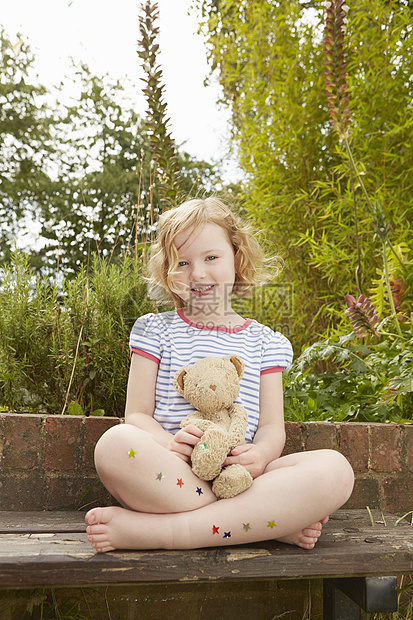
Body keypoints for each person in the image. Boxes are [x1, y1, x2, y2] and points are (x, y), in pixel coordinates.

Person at [85, 197, 354, 553]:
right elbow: (136, 415)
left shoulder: (264, 342)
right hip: (174, 476)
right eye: (182, 262)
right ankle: (262, 523)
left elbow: (273, 427)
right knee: (114, 446)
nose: (197, 273)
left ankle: (167, 533)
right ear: (166, 270)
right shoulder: (155, 331)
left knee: (335, 471)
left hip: (240, 477)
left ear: (237, 259)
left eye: (211, 257)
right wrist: (168, 444)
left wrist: (259, 454)